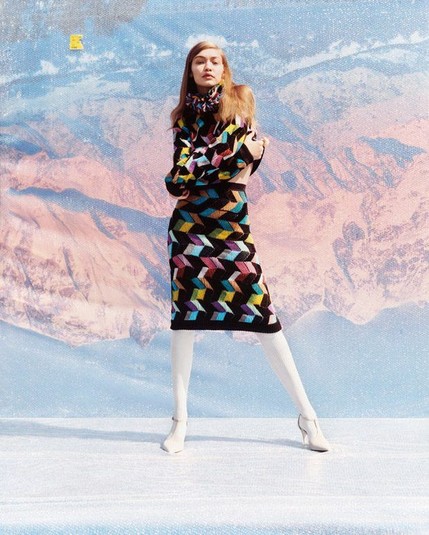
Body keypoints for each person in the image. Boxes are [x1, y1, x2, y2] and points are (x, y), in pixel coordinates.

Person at [161, 41, 330, 454]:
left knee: (265, 320)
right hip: (188, 230)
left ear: (224, 68)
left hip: (231, 225)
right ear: (190, 70)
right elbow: (176, 181)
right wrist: (231, 155)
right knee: (185, 322)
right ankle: (180, 421)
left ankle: (308, 417)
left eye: (214, 61)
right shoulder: (183, 117)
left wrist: (209, 163)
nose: (207, 66)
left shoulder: (241, 99)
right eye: (199, 61)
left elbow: (236, 168)